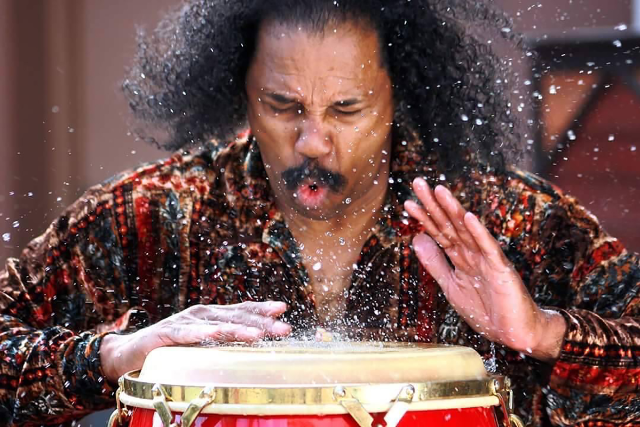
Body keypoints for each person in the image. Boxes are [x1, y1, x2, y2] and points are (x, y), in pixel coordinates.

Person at [0, 0, 638, 425]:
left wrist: (543, 332)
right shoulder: (157, 214)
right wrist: (112, 355)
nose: (312, 142)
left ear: (399, 95)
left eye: (346, 110)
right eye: (282, 107)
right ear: (240, 92)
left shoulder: (498, 217)